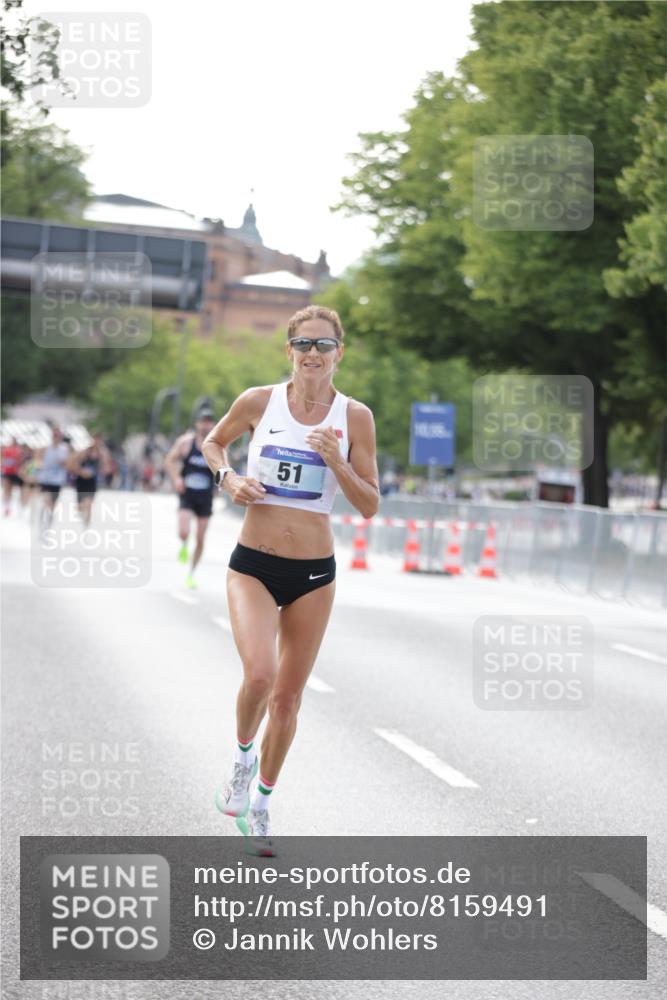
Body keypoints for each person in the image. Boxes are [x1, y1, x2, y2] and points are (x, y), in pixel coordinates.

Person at [202, 305, 379, 855]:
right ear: (289, 351)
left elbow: (369, 503)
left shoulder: (355, 418)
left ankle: (260, 805)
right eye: (303, 345)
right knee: (259, 676)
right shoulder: (259, 402)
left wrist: (339, 462)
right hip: (253, 563)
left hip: (313, 575)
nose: (313, 355)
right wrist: (228, 478)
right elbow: (213, 443)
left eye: (324, 346)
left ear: (339, 353)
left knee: (286, 700)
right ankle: (240, 761)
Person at [164, 408, 217, 589]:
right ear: (197, 423)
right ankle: (184, 544)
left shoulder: (217, 445)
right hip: (187, 493)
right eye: (203, 421)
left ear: (213, 424)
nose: (206, 425)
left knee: (201, 538)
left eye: (209, 421)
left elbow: (225, 467)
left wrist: (221, 484)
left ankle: (191, 574)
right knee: (184, 531)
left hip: (205, 497)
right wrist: (176, 478)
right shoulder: (186, 443)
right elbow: (169, 460)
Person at [67, 433, 112, 526]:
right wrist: (81, 471)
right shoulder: (84, 452)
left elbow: (107, 468)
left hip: (92, 481)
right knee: (81, 506)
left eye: (99, 440)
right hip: (81, 480)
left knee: (89, 504)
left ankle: (86, 526)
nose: (97, 442)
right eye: (95, 439)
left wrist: (100, 471)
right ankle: (83, 517)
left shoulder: (102, 454)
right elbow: (71, 464)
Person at [36, 427, 71, 529]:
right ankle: (42, 522)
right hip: (45, 479)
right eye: (55, 436)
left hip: (57, 481)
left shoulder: (64, 449)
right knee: (47, 500)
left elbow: (69, 465)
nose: (56, 438)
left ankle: (48, 523)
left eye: (58, 436)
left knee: (52, 504)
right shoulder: (46, 448)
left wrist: (63, 463)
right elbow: (37, 461)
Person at [1, 437, 24, 516]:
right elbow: (3, 459)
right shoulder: (6, 450)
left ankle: (9, 506)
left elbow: (19, 461)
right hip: (7, 471)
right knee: (7, 489)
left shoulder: (18, 451)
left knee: (10, 490)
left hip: (13, 472)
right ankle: (7, 507)